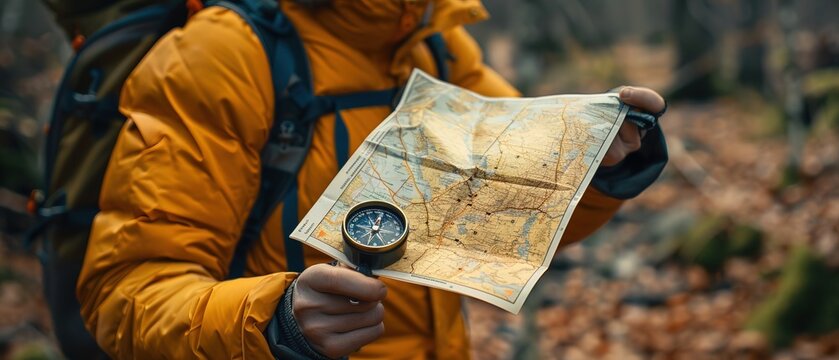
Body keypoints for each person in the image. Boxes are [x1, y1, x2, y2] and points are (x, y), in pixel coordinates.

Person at [76, 0, 667, 358]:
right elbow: (126, 293)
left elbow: (510, 216)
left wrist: (596, 166)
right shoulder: (221, 57)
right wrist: (273, 324)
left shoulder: (436, 44)